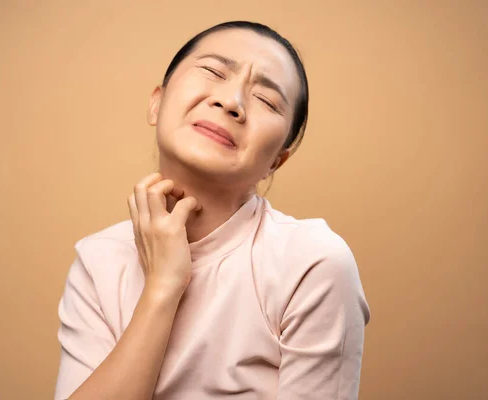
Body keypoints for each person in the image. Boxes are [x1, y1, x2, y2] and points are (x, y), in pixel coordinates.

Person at [54, 21, 371, 400]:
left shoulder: (312, 263)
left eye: (267, 101)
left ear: (277, 161)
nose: (231, 102)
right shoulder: (98, 260)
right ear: (157, 102)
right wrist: (163, 286)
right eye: (213, 71)